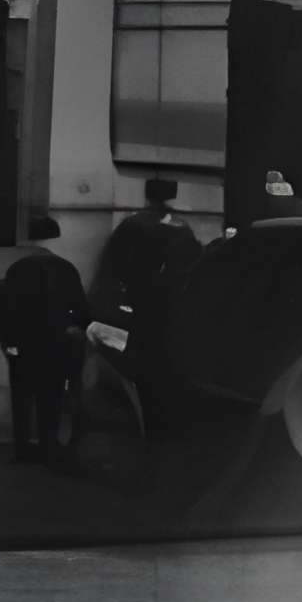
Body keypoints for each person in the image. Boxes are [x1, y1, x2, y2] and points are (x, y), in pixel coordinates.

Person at [91, 177, 200, 438]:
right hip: (171, 308)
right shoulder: (181, 228)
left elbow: (113, 265)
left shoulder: (133, 225)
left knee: (139, 369)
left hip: (138, 306)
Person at [0, 212, 88, 468]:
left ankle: (22, 448)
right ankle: (49, 445)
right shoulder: (66, 268)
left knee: (22, 398)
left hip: (24, 345)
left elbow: (6, 311)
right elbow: (79, 309)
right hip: (56, 344)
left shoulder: (17, 270)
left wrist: (9, 344)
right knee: (52, 396)